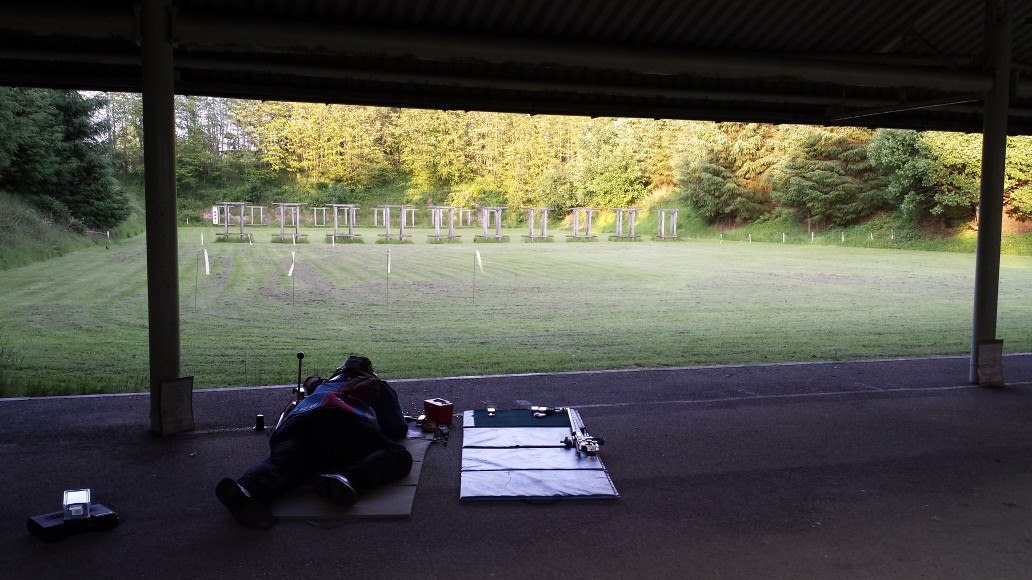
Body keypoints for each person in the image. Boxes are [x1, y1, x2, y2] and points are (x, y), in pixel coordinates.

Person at [216, 355, 412, 529]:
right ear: (370, 372)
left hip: (297, 423)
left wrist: (317, 380)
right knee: (398, 455)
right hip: (345, 424)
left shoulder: (323, 384)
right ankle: (347, 479)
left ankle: (247, 489)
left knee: (284, 462)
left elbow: (311, 380)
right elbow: (398, 428)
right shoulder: (376, 385)